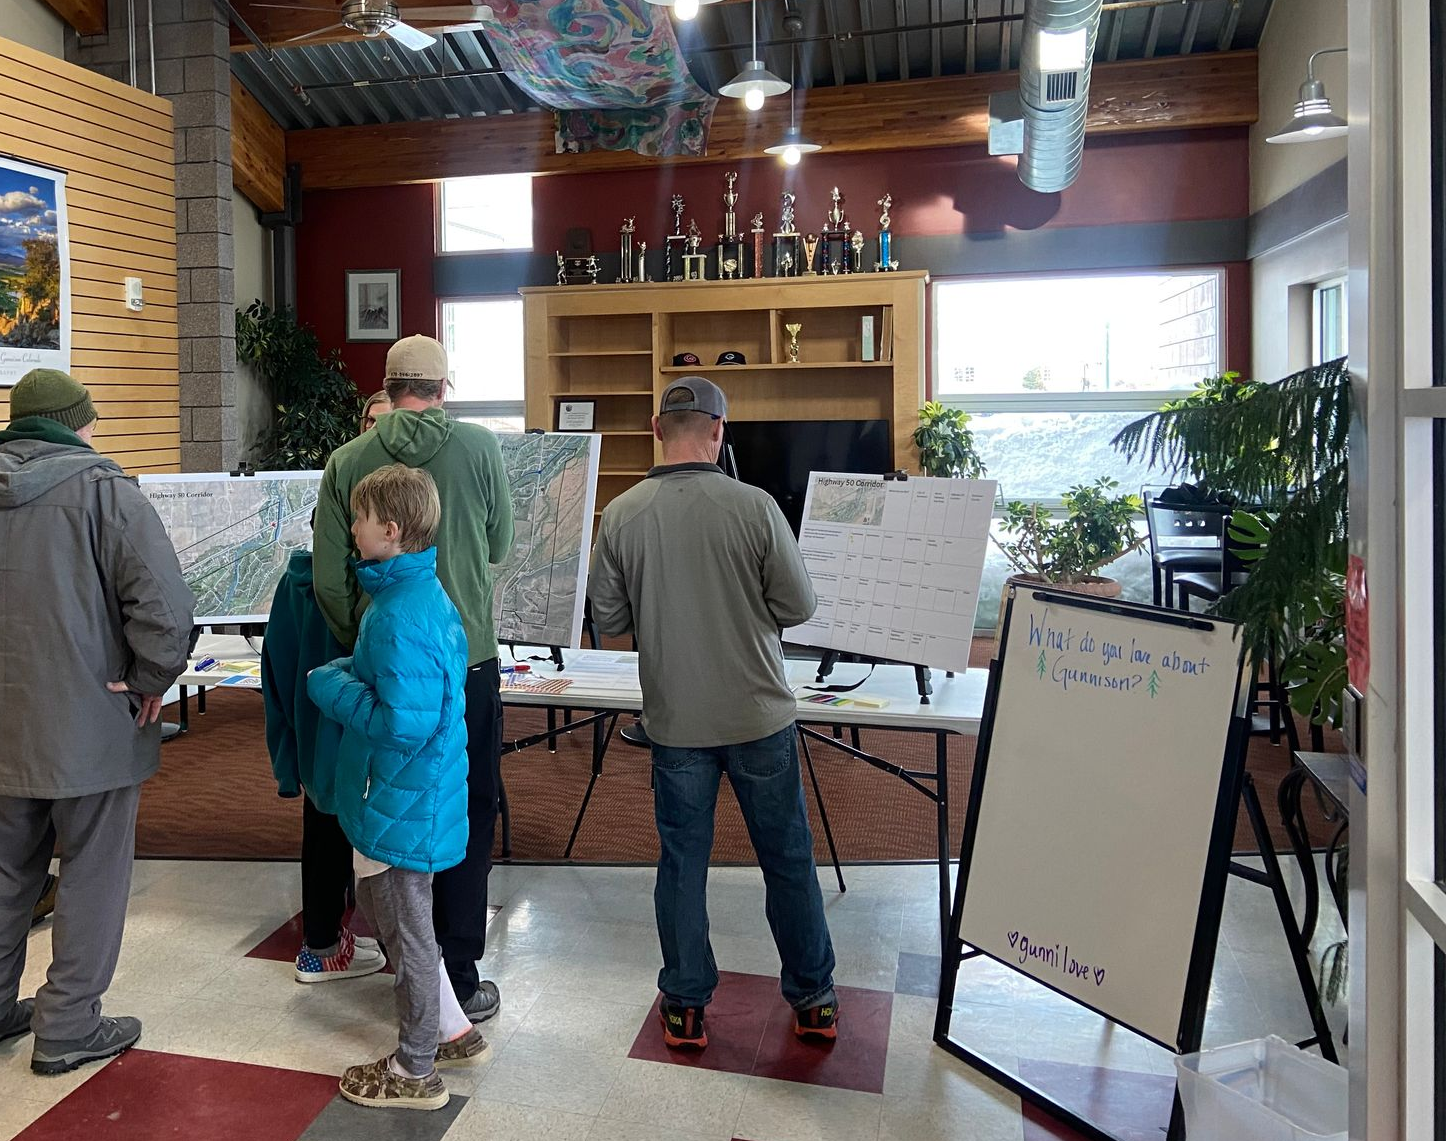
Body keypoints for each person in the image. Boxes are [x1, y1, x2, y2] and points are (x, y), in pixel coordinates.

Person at [587, 377, 839, 1051]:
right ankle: (814, 997)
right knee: (787, 857)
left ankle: (686, 1004)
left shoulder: (623, 513)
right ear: (719, 430)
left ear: (654, 427)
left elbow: (608, 620)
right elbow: (799, 607)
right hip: (760, 716)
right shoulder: (755, 508)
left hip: (675, 723)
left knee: (682, 863)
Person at [314, 335, 514, 1025]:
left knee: (384, 808)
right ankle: (459, 971)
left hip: (384, 668)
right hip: (471, 661)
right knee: (466, 808)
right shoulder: (483, 449)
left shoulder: (348, 460)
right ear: (443, 386)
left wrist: (362, 645)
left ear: (388, 385)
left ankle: (406, 963)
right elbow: (498, 546)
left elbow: (329, 580)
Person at [0, 369, 194, 1073]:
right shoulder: (106, 492)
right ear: (70, 423)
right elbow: (166, 610)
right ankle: (67, 1025)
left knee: (5, 870)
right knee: (90, 871)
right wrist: (149, 681)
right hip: (91, 723)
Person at [308, 464, 487, 1110]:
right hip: (412, 797)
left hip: (403, 799)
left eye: (358, 518)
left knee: (405, 932)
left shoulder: (396, 615)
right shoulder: (412, 597)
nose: (349, 527)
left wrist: (333, 688)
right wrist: (353, 675)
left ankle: (416, 1068)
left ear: (390, 529)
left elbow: (401, 724)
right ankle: (449, 1027)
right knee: (401, 919)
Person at [261, 398, 394, 985]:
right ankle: (326, 944)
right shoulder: (310, 578)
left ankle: (340, 939)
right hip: (337, 717)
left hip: (366, 716)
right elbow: (282, 663)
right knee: (331, 820)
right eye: (373, 422)